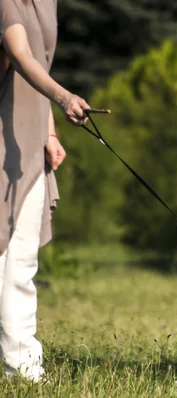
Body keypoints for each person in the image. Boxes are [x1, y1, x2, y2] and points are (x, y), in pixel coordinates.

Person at [1, 0, 90, 382]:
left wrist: (49, 131)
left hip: (29, 132)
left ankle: (23, 365)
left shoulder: (46, 2)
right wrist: (64, 97)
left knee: (21, 261)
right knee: (8, 257)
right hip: (6, 135)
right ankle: (20, 362)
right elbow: (19, 55)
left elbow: (37, 65)